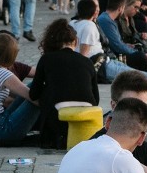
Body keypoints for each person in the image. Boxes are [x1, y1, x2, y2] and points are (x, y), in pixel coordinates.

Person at [28, 19, 99, 150]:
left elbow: (33, 94)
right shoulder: (87, 62)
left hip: (56, 116)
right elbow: (96, 98)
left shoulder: (46, 59)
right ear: (76, 42)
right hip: (86, 113)